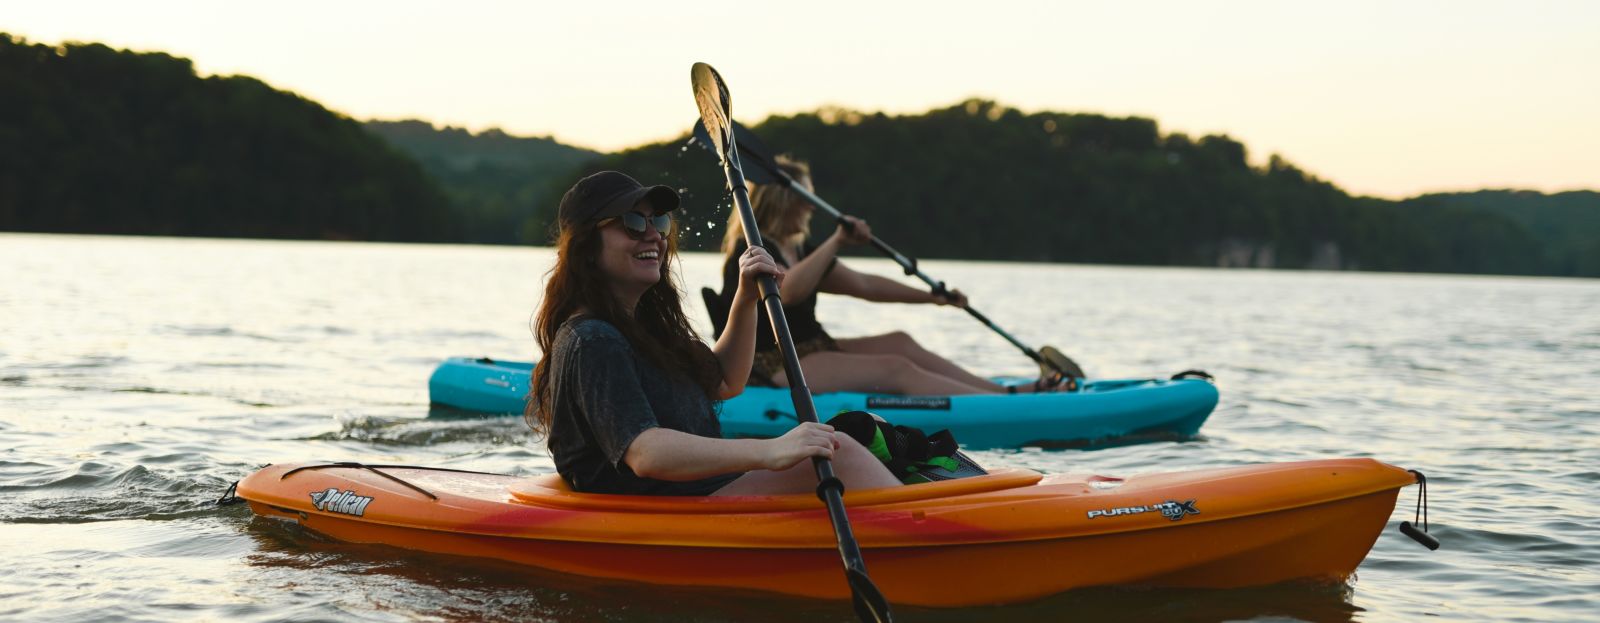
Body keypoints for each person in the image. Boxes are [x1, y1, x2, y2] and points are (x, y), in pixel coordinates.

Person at [525, 171, 902, 497]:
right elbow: (645, 452)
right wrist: (769, 451)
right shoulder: (593, 339)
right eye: (632, 224)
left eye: (657, 222)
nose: (653, 236)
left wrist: (745, 299)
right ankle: (937, 536)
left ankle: (943, 501)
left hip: (697, 490)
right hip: (660, 506)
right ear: (586, 247)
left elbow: (725, 381)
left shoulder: (644, 329)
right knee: (843, 452)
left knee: (867, 428)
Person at [718, 157, 1065, 395]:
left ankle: (1007, 393)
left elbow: (865, 285)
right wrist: (838, 240)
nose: (812, 206)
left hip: (811, 349)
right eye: (805, 198)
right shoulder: (750, 251)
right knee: (895, 367)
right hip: (771, 365)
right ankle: (1004, 404)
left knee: (900, 341)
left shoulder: (802, 249)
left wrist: (933, 298)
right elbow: (787, 291)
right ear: (782, 201)